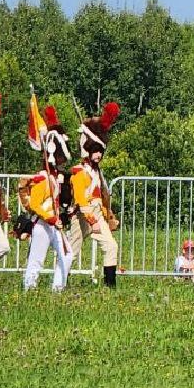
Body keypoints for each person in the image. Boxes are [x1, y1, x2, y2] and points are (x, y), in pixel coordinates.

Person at [67, 100, 122, 287]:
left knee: (111, 246)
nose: (98, 155)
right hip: (83, 215)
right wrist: (91, 220)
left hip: (97, 213)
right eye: (95, 151)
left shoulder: (97, 172)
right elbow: (82, 199)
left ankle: (110, 286)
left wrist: (107, 216)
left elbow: (102, 197)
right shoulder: (79, 171)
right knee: (72, 252)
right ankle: (60, 283)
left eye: (100, 151)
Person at [21, 101, 73, 292]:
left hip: (53, 223)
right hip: (43, 223)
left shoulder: (53, 178)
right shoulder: (43, 179)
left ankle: (58, 288)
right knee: (37, 260)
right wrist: (51, 217)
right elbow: (35, 204)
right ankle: (29, 289)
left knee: (67, 255)